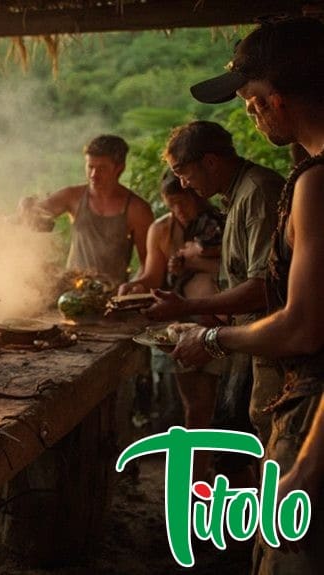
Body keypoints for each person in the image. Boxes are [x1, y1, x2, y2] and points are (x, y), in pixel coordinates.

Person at [173, 17, 324, 573]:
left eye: (250, 102)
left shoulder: (315, 184)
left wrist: (210, 336)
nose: (249, 115)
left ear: (277, 100)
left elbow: (305, 326)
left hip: (311, 417)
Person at [145, 121, 285, 446]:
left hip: (267, 340)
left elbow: (263, 287)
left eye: (183, 172)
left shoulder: (258, 193)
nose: (182, 183)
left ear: (210, 161)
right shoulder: (236, 196)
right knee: (231, 437)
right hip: (245, 337)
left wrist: (188, 307)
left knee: (260, 440)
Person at [119, 172, 226, 479]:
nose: (178, 211)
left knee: (215, 407)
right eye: (171, 204)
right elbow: (152, 277)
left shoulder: (219, 224)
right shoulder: (162, 229)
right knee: (195, 405)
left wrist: (194, 262)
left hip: (222, 319)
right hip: (181, 324)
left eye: (182, 202)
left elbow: (233, 270)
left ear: (196, 195)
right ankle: (196, 477)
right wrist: (134, 286)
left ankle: (209, 473)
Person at [19, 134, 154, 286]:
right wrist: (25, 206)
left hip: (112, 296)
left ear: (119, 168)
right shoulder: (72, 196)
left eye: (102, 168)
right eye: (90, 167)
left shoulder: (137, 209)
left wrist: (131, 287)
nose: (94, 175)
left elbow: (149, 264)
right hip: (71, 293)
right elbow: (34, 213)